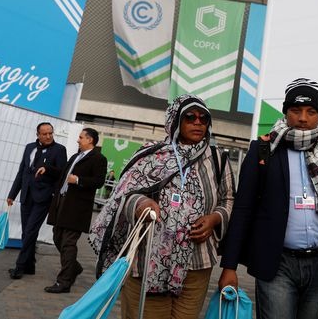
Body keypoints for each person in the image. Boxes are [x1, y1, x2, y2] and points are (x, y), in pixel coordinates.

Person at [89, 94, 235, 319]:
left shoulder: (217, 159)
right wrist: (142, 204)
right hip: (147, 262)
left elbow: (228, 199)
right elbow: (124, 195)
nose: (198, 123)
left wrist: (215, 218)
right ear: (175, 121)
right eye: (190, 117)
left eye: (203, 118)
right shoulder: (150, 155)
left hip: (196, 263)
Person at [219, 78, 318, 319]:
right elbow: (243, 210)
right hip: (277, 265)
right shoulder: (263, 150)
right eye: (296, 110)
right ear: (286, 112)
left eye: (311, 112)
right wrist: (229, 267)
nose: (303, 118)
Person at [43, 127, 107, 293]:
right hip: (62, 204)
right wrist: (48, 169)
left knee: (68, 243)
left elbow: (99, 181)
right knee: (58, 238)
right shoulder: (75, 156)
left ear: (90, 140)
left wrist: (78, 180)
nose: (78, 140)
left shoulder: (98, 158)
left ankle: (64, 282)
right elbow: (63, 173)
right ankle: (74, 267)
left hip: (77, 208)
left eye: (81, 137)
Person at [7, 122, 67, 279]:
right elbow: (22, 172)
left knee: (30, 231)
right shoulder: (29, 148)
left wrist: (48, 169)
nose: (48, 136)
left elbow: (62, 172)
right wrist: (12, 194)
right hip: (26, 195)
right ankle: (29, 265)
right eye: (45, 133)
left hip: (43, 197)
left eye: (50, 133)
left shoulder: (59, 150)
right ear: (38, 134)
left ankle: (19, 266)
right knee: (26, 231)